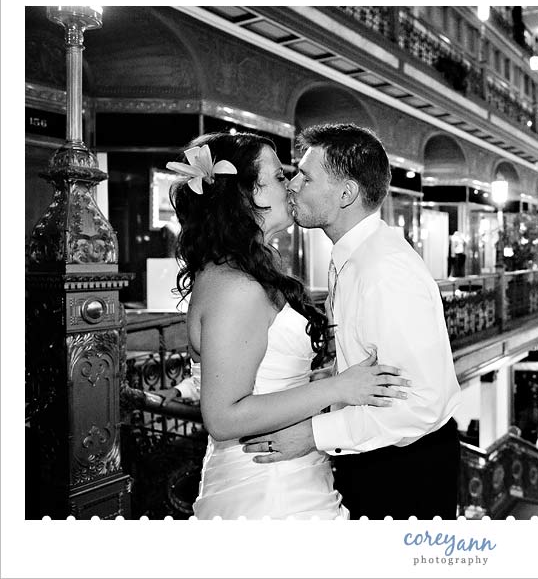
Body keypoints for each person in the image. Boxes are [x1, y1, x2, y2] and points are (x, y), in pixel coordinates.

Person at [166, 132, 407, 520]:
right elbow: (224, 416)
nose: (292, 185)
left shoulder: (249, 272)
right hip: (266, 493)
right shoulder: (236, 288)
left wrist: (323, 378)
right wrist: (340, 386)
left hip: (293, 475)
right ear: (249, 194)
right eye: (280, 177)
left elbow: (268, 373)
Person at [242, 124, 462, 520]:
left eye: (305, 176)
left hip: (407, 468)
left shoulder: (385, 272)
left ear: (346, 193)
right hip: (375, 452)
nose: (292, 184)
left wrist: (311, 436)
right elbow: (370, 356)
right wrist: (329, 377)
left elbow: (422, 403)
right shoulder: (353, 256)